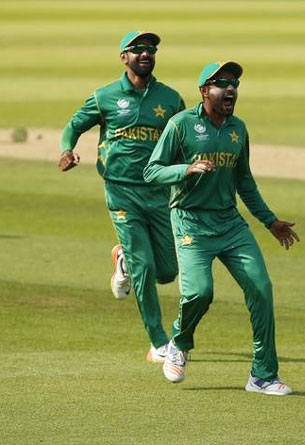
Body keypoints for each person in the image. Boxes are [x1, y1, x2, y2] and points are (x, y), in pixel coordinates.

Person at [144, 61, 299, 395]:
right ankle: (180, 342)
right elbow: (152, 171)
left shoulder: (238, 129)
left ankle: (263, 375)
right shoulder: (180, 125)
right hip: (190, 221)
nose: (231, 89)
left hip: (230, 224)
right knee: (200, 292)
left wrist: (270, 221)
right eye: (222, 83)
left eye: (234, 84)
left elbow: (245, 181)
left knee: (261, 288)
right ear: (204, 91)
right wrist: (185, 169)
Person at [59, 30, 185, 363]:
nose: (146, 53)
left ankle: (122, 260)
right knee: (145, 266)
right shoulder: (105, 96)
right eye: (138, 49)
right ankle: (159, 342)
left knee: (168, 272)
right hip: (120, 191)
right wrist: (66, 150)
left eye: (151, 49)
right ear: (124, 57)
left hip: (159, 193)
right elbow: (74, 125)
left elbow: (183, 142)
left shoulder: (171, 99)